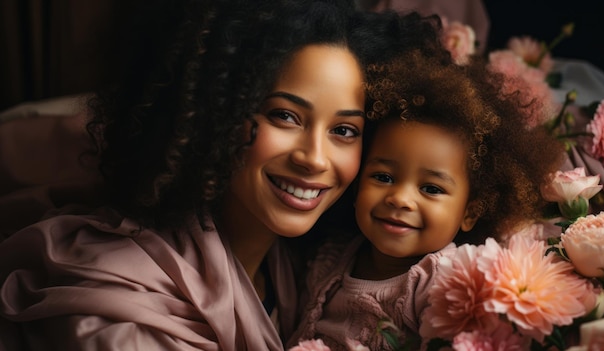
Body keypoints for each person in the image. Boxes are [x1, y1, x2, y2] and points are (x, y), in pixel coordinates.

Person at [0, 1, 452, 350]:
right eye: (285, 117)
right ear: (216, 115)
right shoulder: (118, 303)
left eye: (343, 130)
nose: (315, 159)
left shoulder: (312, 271)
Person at [287, 49, 566, 350]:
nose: (400, 199)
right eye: (383, 177)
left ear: (470, 212)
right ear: (357, 187)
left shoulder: (444, 283)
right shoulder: (331, 256)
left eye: (431, 189)